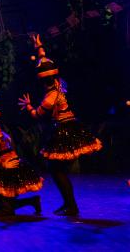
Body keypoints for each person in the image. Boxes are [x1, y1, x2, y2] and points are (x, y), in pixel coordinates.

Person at [19, 35, 101, 216]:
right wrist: (39, 47)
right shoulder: (58, 83)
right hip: (69, 127)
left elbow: (37, 115)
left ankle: (71, 206)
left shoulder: (50, 97)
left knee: (57, 171)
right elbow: (46, 65)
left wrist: (28, 106)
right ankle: (69, 204)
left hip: (65, 130)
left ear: (42, 81)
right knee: (58, 171)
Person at [0, 95, 42, 217]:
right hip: (3, 168)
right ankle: (31, 201)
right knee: (0, 205)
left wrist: (2, 164)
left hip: (10, 169)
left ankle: (8, 207)